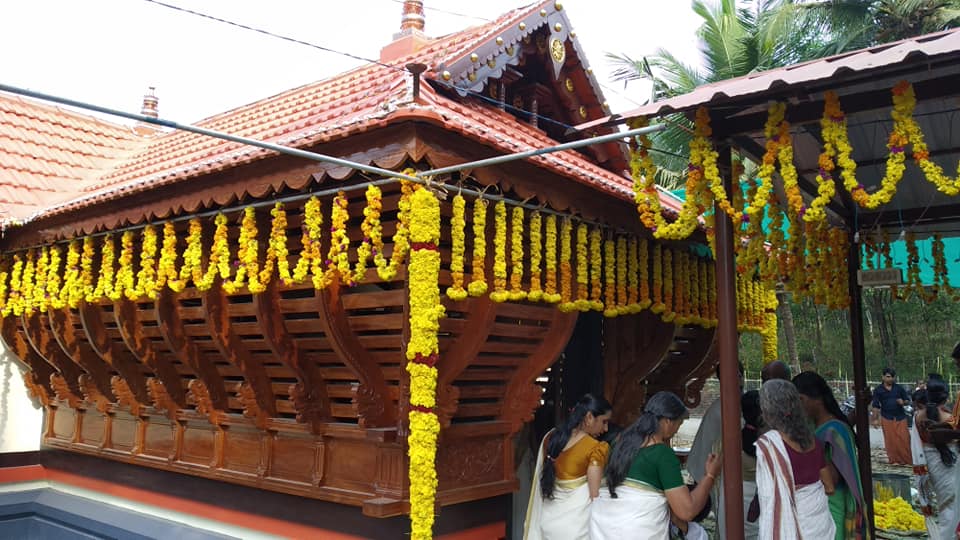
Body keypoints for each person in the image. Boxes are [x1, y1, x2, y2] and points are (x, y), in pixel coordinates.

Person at [589, 392, 720, 539]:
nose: (677, 429)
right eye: (679, 424)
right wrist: (710, 476)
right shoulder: (662, 454)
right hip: (634, 532)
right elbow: (686, 510)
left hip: (603, 528)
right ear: (668, 422)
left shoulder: (621, 443)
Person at [524, 394, 612, 540]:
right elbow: (594, 496)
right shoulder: (596, 448)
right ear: (589, 417)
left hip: (548, 525)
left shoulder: (551, 438)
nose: (606, 428)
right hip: (576, 529)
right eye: (604, 421)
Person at [756, 379, 836, 539]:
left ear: (766, 409)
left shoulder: (769, 445)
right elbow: (829, 487)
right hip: (820, 528)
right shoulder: (813, 440)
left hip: (789, 530)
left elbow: (769, 498)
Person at [794, 371, 867, 539]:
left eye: (801, 400)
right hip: (816, 506)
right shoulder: (813, 426)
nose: (798, 407)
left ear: (817, 399)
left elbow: (832, 480)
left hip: (832, 506)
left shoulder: (834, 431)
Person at [915, 375, 959, 538]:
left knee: (941, 502)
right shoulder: (949, 419)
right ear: (946, 396)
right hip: (949, 465)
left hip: (930, 462)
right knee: (950, 504)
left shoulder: (918, 416)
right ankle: (946, 536)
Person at [871, 367, 912, 465]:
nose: (890, 379)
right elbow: (875, 405)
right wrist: (875, 419)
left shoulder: (899, 388)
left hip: (900, 416)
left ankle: (907, 461)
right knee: (890, 440)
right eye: (888, 377)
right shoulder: (878, 390)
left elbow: (907, 400)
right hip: (886, 417)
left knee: (904, 439)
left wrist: (903, 402)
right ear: (883, 377)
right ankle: (894, 461)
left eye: (892, 377)